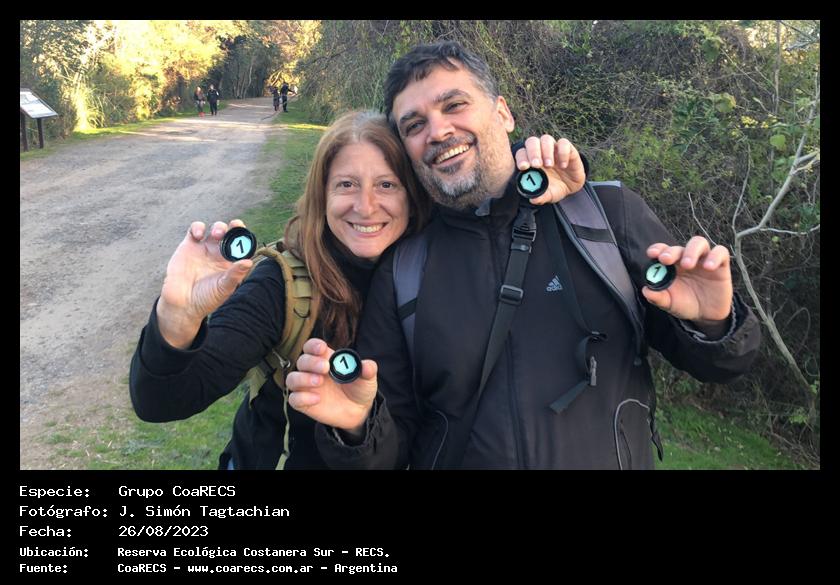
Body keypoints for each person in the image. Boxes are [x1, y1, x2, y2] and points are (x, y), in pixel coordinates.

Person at [288, 41, 762, 470]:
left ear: (503, 113)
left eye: (454, 105)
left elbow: (720, 366)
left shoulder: (604, 216)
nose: (438, 130)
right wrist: (357, 427)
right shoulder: (405, 269)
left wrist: (713, 324)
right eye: (414, 125)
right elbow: (391, 448)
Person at [129, 110, 433, 469]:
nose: (365, 207)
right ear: (322, 195)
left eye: (386, 185)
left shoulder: (436, 279)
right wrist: (177, 318)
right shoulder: (282, 285)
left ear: (412, 197)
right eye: (346, 185)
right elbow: (161, 401)